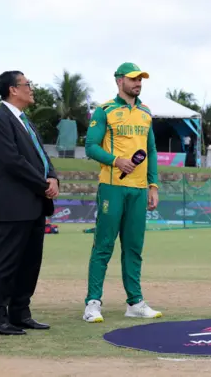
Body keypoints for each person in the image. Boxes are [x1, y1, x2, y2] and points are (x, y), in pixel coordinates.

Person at [0, 71, 60, 335]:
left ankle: (20, 313)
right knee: (5, 263)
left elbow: (40, 154)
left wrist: (53, 176)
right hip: (12, 204)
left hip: (34, 203)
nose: (31, 89)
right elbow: (12, 161)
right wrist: (42, 182)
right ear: (13, 89)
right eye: (28, 85)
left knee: (29, 263)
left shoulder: (25, 121)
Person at [82, 62, 160, 323]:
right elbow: (91, 146)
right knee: (103, 246)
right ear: (119, 81)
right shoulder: (104, 111)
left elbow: (151, 151)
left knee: (134, 248)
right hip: (112, 188)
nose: (138, 83)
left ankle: (135, 302)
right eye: (133, 79)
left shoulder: (146, 113)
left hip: (139, 190)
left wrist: (153, 185)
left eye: (140, 80)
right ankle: (93, 303)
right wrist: (116, 160)